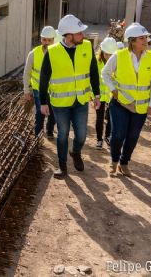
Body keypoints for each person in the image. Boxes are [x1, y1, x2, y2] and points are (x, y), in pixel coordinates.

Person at [39, 14, 101, 179]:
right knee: (63, 133)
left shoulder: (87, 46)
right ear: (68, 35)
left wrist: (97, 94)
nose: (83, 35)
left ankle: (75, 152)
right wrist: (43, 103)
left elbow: (93, 71)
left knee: (81, 135)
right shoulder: (52, 52)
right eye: (79, 33)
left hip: (81, 100)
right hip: (60, 102)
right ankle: (62, 167)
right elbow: (44, 79)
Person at [102, 23, 151, 177]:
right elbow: (105, 73)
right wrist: (113, 89)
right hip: (120, 104)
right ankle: (114, 161)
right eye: (142, 38)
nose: (146, 40)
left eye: (146, 37)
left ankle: (124, 162)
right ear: (132, 40)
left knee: (133, 136)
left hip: (140, 106)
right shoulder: (119, 55)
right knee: (118, 135)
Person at [23, 26, 57, 137]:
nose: (46, 42)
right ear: (41, 39)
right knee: (40, 112)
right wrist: (26, 90)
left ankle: (50, 131)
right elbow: (27, 73)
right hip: (38, 88)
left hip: (54, 89)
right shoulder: (33, 53)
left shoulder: (58, 53)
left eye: (49, 40)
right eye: (44, 39)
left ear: (54, 40)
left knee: (53, 112)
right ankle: (37, 134)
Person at [95, 37, 118, 149]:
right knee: (99, 118)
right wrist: (93, 95)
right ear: (102, 51)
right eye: (106, 54)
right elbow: (93, 79)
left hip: (111, 95)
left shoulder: (118, 61)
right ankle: (99, 140)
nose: (108, 56)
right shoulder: (96, 61)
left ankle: (107, 137)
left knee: (110, 118)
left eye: (111, 54)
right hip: (99, 95)